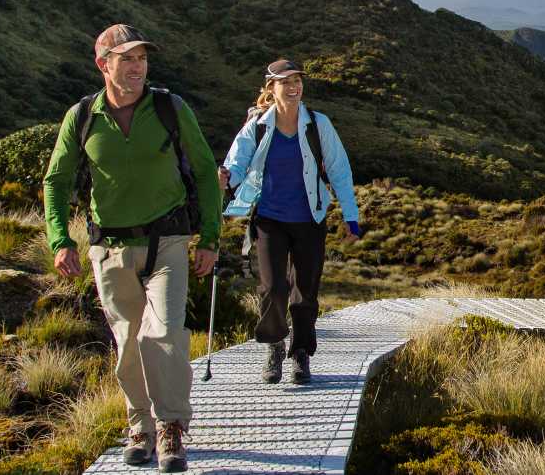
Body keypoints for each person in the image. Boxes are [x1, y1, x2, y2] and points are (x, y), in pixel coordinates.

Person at [43, 24, 221, 473]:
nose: (138, 66)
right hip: (111, 247)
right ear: (103, 64)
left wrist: (211, 237)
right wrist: (60, 238)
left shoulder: (169, 108)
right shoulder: (82, 116)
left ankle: (171, 427)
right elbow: (57, 181)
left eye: (142, 58)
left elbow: (203, 171)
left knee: (161, 334)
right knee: (127, 342)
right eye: (127, 58)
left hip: (169, 241)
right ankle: (138, 426)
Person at [220, 58, 360, 384]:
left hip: (310, 219)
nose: (294, 86)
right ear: (271, 88)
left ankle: (300, 354)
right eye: (285, 81)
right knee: (272, 287)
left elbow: (339, 169)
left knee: (305, 291)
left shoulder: (317, 123)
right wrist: (226, 178)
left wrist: (351, 216)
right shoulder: (257, 125)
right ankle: (274, 346)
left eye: (297, 80)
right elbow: (236, 164)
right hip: (270, 219)